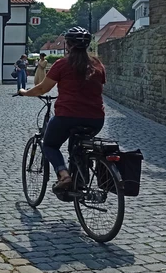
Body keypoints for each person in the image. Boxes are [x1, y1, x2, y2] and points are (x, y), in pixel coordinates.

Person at [17, 27, 106, 192]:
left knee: (49, 145)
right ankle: (80, 181)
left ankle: (64, 175)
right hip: (96, 119)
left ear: (68, 45)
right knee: (78, 146)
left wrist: (24, 92)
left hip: (68, 116)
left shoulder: (63, 64)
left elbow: (42, 89)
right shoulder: (97, 64)